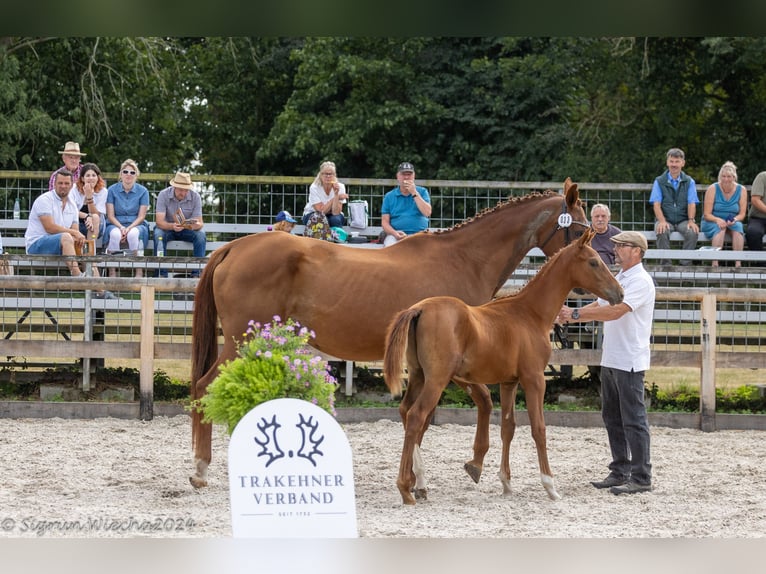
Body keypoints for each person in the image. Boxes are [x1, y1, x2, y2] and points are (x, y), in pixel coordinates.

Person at [557, 230, 655, 495]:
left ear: (637, 251)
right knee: (612, 416)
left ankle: (642, 477)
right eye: (617, 245)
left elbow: (615, 311)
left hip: (630, 359)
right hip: (612, 357)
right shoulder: (622, 277)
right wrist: (572, 314)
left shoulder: (640, 282)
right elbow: (599, 303)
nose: (616, 250)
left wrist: (575, 314)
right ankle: (620, 469)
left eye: (622, 246)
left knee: (633, 418)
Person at [25, 169, 85, 277]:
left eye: (66, 183)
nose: (63, 186)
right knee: (67, 236)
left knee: (87, 248)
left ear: (72, 185)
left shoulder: (73, 205)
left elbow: (75, 231)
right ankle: (77, 275)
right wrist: (74, 234)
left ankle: (100, 291)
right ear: (54, 184)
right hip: (36, 244)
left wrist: (78, 238)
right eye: (60, 183)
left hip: (61, 245)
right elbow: (50, 228)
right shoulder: (44, 200)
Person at [648, 148, 700, 265]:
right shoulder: (659, 181)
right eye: (671, 161)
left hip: (683, 220)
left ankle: (685, 264)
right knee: (661, 230)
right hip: (665, 219)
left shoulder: (689, 181)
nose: (674, 165)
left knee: (693, 232)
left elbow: (692, 203)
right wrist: (661, 221)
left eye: (677, 162)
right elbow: (656, 204)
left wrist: (691, 221)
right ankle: (665, 264)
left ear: (683, 163)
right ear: (667, 162)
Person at [154, 171, 206, 277]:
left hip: (187, 229)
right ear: (174, 187)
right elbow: (159, 222)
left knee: (201, 236)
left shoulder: (196, 197)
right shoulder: (163, 195)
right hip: (167, 228)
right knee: (158, 235)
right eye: (181, 189)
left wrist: (189, 225)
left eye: (186, 190)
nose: (183, 193)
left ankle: (197, 274)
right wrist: (172, 226)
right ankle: (161, 274)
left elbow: (200, 223)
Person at [105, 159, 149, 278]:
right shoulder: (112, 190)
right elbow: (110, 215)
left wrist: (128, 228)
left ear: (136, 175)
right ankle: (112, 271)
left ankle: (139, 271)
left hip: (136, 224)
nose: (128, 174)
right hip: (115, 223)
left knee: (133, 235)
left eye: (132, 172)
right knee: (115, 235)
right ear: (121, 174)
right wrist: (121, 227)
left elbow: (141, 216)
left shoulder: (143, 191)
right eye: (125, 171)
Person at [700, 161, 746, 268]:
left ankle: (738, 263)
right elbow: (707, 214)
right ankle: (715, 263)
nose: (726, 179)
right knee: (720, 228)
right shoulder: (713, 188)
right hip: (712, 220)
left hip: (731, 220)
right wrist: (717, 220)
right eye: (723, 176)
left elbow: (742, 214)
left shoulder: (741, 190)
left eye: (729, 176)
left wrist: (734, 219)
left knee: (738, 228)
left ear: (734, 177)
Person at [380, 162, 432, 247]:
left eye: (409, 174)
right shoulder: (389, 196)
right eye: (403, 174)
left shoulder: (422, 192)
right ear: (398, 176)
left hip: (420, 234)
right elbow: (384, 222)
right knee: (389, 248)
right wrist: (395, 233)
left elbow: (427, 213)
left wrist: (414, 193)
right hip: (396, 235)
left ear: (414, 176)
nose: (406, 177)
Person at [301, 161, 348, 228]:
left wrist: (336, 194)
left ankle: (336, 238)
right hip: (313, 213)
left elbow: (336, 212)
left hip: (331, 214)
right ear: (320, 175)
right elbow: (321, 212)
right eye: (325, 174)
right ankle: (319, 238)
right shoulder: (314, 187)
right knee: (321, 220)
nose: (328, 176)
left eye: (330, 174)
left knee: (336, 220)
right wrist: (335, 199)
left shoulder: (340, 187)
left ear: (334, 175)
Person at [71, 163, 108, 245]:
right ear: (82, 178)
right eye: (87, 175)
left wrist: (89, 197)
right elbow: (71, 210)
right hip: (76, 223)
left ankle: (90, 247)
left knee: (95, 217)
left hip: (96, 226)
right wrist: (87, 216)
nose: (91, 178)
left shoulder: (103, 191)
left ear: (98, 178)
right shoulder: (74, 189)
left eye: (94, 175)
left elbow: (97, 214)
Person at [745, 170, 766, 252]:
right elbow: (755, 200)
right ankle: (761, 263)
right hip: (758, 218)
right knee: (753, 233)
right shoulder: (762, 177)